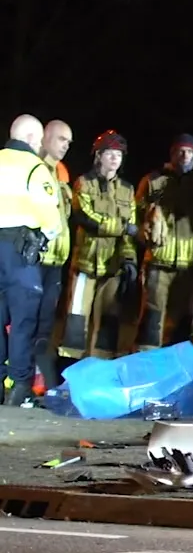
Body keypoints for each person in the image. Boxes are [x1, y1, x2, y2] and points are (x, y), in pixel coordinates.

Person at [0, 115, 64, 405]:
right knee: (23, 321)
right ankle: (20, 385)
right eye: (38, 140)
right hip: (20, 253)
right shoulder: (35, 168)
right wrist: (47, 236)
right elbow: (51, 219)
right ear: (29, 139)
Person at [135, 134, 193, 352]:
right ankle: (145, 362)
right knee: (152, 316)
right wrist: (146, 237)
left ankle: (175, 362)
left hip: (190, 265)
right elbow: (136, 217)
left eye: (190, 152)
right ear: (172, 154)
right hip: (159, 262)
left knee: (182, 319)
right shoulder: (154, 181)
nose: (185, 156)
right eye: (180, 151)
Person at [64, 131, 138, 360]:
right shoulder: (83, 183)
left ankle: (100, 367)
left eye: (119, 155)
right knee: (76, 319)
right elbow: (85, 217)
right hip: (85, 263)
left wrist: (129, 259)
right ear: (98, 156)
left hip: (112, 267)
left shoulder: (127, 189)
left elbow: (131, 230)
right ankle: (68, 367)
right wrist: (122, 227)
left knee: (108, 322)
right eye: (110, 153)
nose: (115, 158)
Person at [31, 120, 74, 390]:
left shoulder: (61, 173)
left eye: (68, 142)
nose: (66, 146)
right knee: (26, 321)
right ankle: (21, 376)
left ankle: (37, 379)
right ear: (45, 138)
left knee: (45, 325)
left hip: (55, 260)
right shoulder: (34, 168)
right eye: (61, 139)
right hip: (35, 258)